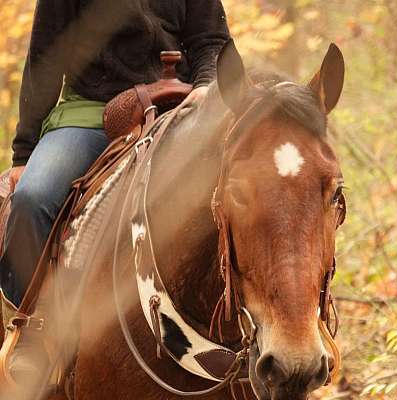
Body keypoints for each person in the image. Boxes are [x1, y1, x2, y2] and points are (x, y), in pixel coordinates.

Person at [0, 0, 230, 386]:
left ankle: (247, 328)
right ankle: (29, 331)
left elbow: (212, 40)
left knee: (243, 190)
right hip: (92, 112)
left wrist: (206, 86)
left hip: (179, 108)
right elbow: (45, 58)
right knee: (32, 198)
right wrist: (25, 151)